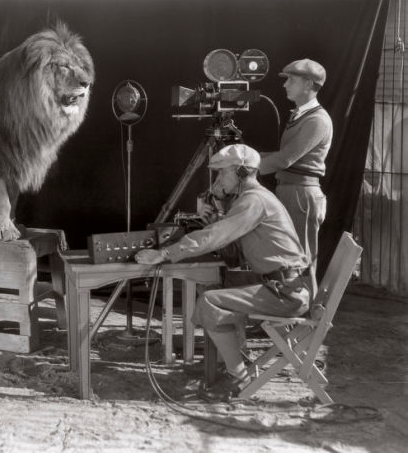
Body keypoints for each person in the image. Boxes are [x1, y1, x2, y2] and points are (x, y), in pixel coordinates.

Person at [135, 144, 312, 402]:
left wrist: (163, 254)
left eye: (223, 173)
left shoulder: (254, 201)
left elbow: (215, 237)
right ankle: (227, 363)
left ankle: (238, 378)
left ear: (241, 173)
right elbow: (233, 253)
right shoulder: (252, 199)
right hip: (283, 287)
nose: (218, 180)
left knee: (211, 301)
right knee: (215, 291)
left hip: (285, 294)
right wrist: (218, 215)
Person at [259, 59, 333, 277]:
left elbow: (285, 159)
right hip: (290, 191)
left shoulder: (317, 120)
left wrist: (247, 167)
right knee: (288, 256)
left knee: (301, 259)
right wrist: (250, 157)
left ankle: (306, 299)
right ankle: (292, 297)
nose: (285, 85)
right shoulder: (300, 114)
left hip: (301, 195)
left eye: (291, 80)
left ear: (308, 84)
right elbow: (284, 155)